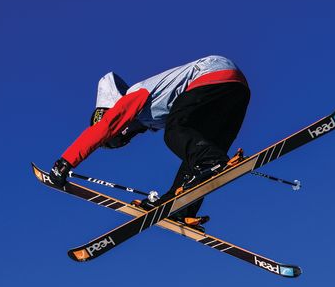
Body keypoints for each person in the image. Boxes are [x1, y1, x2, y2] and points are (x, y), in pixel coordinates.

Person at [46, 55, 250, 227]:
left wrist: (64, 163)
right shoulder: (151, 117)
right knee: (199, 150)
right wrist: (166, 204)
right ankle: (179, 206)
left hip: (213, 74)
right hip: (236, 91)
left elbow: (105, 127)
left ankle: (211, 163)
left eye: (117, 138)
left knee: (176, 134)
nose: (123, 139)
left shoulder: (134, 96)